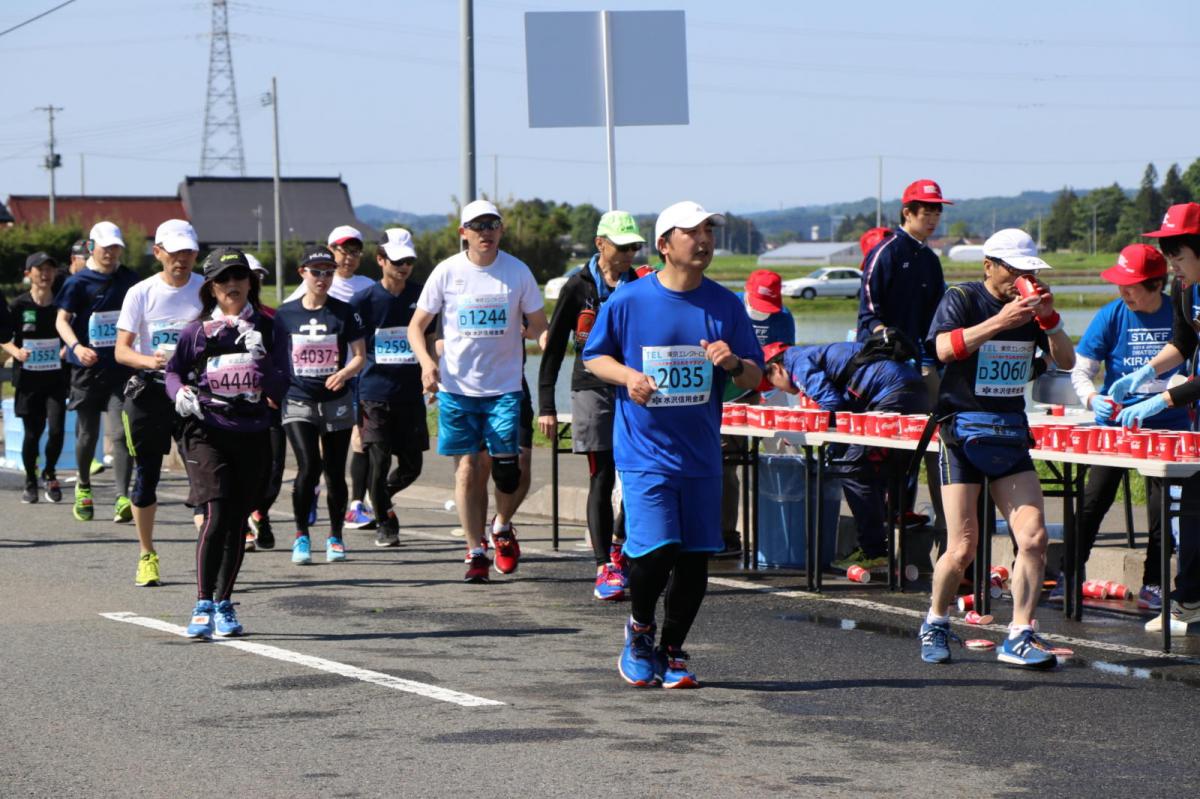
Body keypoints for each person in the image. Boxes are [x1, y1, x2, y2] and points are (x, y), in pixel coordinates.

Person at [583, 200, 763, 689]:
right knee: (657, 550)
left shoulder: (725, 305)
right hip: (644, 452)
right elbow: (594, 357)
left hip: (701, 453)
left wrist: (731, 364)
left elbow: (757, 374)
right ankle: (640, 630)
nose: (704, 239)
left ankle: (673, 649)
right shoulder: (630, 300)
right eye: (692, 232)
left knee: (693, 559)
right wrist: (629, 377)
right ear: (664, 245)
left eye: (709, 230)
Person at [920, 228, 1074, 668]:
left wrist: (1050, 321)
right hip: (959, 433)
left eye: (1028, 269)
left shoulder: (1033, 306)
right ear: (989, 265)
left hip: (1008, 431)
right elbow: (943, 350)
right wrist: (1001, 322)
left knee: (1034, 537)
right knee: (963, 546)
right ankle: (936, 619)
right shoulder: (963, 298)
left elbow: (1066, 361)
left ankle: (1021, 634)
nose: (1021, 277)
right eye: (1014, 268)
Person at [408, 200, 548, 583]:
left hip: (504, 388)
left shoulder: (517, 272)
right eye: (477, 225)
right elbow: (416, 327)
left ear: (501, 230)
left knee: (509, 471)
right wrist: (426, 363)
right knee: (468, 470)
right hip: (457, 390)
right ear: (463, 232)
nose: (486, 231)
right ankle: (475, 551)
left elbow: (538, 324)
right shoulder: (447, 272)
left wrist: (550, 339)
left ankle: (501, 527)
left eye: (493, 224)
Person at [166, 247, 289, 638]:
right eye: (223, 279)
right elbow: (173, 372)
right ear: (212, 288)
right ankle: (203, 602)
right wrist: (179, 393)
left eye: (238, 277)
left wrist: (262, 360)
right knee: (216, 513)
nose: (232, 285)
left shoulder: (270, 328)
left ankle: (224, 602)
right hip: (207, 431)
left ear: (250, 283)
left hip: (252, 433)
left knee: (236, 520)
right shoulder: (197, 331)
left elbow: (281, 388)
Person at [1064, 243, 1182, 611]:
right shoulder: (1111, 315)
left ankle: (1155, 584)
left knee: (1163, 509)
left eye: (1130, 285)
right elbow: (1081, 370)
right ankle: (1069, 575)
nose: (1123, 291)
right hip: (1117, 425)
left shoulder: (1179, 315)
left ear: (1155, 284)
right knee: (1093, 500)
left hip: (1169, 425)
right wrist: (1090, 399)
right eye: (1119, 284)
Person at [538, 210, 642, 600]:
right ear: (601, 244)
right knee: (602, 474)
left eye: (634, 246)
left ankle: (620, 541)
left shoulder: (640, 284)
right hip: (590, 388)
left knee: (638, 473)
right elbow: (552, 350)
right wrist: (546, 404)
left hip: (633, 388)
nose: (629, 253)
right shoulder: (577, 286)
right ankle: (603, 566)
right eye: (622, 246)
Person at [761, 331, 929, 573]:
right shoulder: (814, 353)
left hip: (890, 394)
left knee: (852, 470)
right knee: (877, 467)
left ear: (776, 368)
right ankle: (880, 546)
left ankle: (874, 552)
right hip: (913, 389)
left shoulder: (796, 362)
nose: (782, 392)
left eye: (771, 384)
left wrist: (815, 438)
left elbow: (833, 404)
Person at [1107, 202, 1200, 631]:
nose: (1172, 268)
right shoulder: (1186, 288)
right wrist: (1144, 373)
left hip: (1186, 402)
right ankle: (1191, 599)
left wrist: (1161, 401)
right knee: (1195, 507)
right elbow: (1183, 344)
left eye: (1178, 257)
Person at [115, 219, 204, 587]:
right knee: (146, 479)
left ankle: (208, 554)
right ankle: (146, 554)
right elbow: (122, 350)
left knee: (204, 478)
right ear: (158, 253)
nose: (181, 259)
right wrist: (151, 361)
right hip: (151, 393)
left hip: (193, 393)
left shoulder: (206, 289)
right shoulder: (140, 292)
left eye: (188, 252)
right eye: (174, 252)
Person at [858, 180, 951, 528]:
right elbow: (868, 310)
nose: (933, 218)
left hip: (924, 361)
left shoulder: (929, 259)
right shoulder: (886, 251)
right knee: (893, 442)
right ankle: (890, 512)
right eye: (926, 210)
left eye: (937, 211)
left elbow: (939, 313)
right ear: (907, 212)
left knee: (934, 439)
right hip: (887, 365)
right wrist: (886, 335)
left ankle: (938, 518)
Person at [274, 245, 367, 565]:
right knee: (308, 466)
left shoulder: (344, 311)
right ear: (303, 273)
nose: (323, 278)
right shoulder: (285, 314)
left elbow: (359, 356)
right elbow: (275, 359)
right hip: (298, 399)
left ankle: (335, 536)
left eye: (329, 272)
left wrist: (343, 373)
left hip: (336, 401)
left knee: (335, 473)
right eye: (316, 272)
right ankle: (301, 535)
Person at [286, 225, 376, 530]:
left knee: (359, 441)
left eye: (354, 251)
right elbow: (287, 321)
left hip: (354, 374)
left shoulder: (367, 286)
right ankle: (312, 489)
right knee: (316, 454)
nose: (348, 258)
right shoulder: (310, 285)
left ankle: (354, 505)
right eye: (342, 250)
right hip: (313, 383)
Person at [350, 229, 430, 547]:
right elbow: (354, 349)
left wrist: (431, 373)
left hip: (410, 394)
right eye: (397, 261)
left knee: (412, 466)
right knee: (379, 462)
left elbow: (431, 339)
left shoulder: (421, 296)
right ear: (380, 260)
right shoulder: (363, 301)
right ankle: (386, 521)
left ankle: (379, 497)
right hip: (374, 394)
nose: (403, 267)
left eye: (408, 261)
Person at [54, 220, 137, 525]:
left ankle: (121, 497)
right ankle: (84, 486)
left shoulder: (129, 279)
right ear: (92, 247)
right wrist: (76, 347)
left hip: (120, 367)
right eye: (106, 248)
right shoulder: (78, 282)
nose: (111, 254)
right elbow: (61, 321)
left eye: (116, 248)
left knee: (119, 433)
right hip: (86, 368)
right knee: (88, 433)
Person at [720, 269, 796, 554]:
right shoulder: (729, 307)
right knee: (727, 463)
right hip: (731, 394)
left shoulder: (783, 317)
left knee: (784, 455)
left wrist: (772, 396)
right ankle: (724, 533)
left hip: (766, 390)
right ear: (747, 291)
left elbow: (785, 361)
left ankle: (785, 528)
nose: (765, 313)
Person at [1, 253, 69, 504]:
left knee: (58, 429)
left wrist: (67, 348)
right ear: (28, 273)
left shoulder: (61, 305)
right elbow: (3, 336)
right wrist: (15, 351)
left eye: (49, 268)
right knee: (32, 434)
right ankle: (30, 479)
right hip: (28, 380)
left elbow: (73, 332)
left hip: (55, 378)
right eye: (39, 269)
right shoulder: (19, 306)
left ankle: (49, 472)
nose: (45, 273)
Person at [244, 253, 282, 551]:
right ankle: (243, 519)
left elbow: (283, 360)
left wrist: (275, 388)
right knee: (245, 467)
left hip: (270, 406)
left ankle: (259, 511)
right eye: (249, 276)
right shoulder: (214, 321)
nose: (255, 282)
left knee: (274, 469)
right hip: (235, 409)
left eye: (259, 277)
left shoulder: (272, 318)